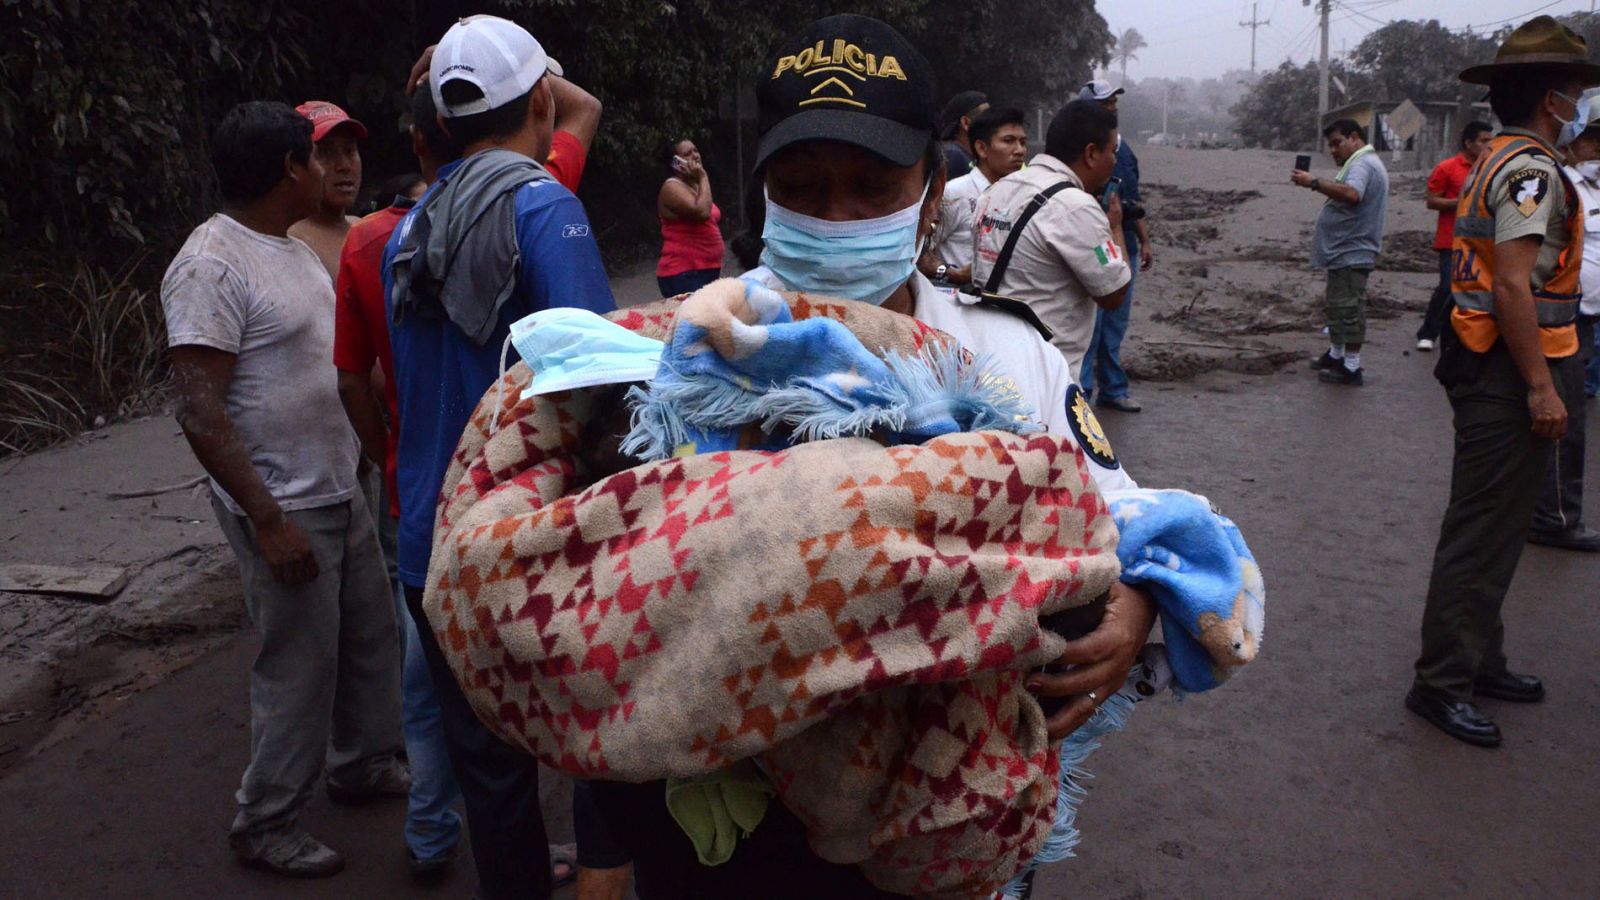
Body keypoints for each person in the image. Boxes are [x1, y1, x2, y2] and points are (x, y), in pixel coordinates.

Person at [586, 18, 1157, 896]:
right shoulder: (694, 355)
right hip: (737, 820)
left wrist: (1137, 603)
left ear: (933, 194)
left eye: (871, 186)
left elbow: (1114, 511)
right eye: (804, 188)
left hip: (943, 817)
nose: (836, 216)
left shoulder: (1009, 356)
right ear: (764, 198)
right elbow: (617, 603)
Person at [383, 15, 616, 898]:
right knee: (594, 733)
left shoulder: (408, 227)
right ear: (545, 99)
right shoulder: (541, 204)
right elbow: (597, 385)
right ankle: (601, 877)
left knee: (487, 765)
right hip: (528, 530)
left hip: (430, 539)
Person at [160, 100, 406, 878]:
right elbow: (199, 409)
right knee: (297, 666)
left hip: (339, 484)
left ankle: (360, 765)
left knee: (368, 639)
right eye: (313, 155)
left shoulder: (292, 252)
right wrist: (267, 520)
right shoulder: (211, 265)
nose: (328, 168)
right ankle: (265, 820)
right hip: (284, 503)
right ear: (286, 171)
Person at [1408, 16, 1600, 748]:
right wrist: (1541, 387)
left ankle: (1480, 662)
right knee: (1482, 529)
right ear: (1553, 99)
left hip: (1493, 357)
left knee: (1501, 523)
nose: (1580, 103)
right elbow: (1516, 288)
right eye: (1576, 91)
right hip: (1505, 365)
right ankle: (1441, 682)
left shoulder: (1505, 157)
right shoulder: (1528, 171)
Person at [333, 86, 466, 881]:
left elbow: (353, 377)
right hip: (500, 486)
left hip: (414, 484)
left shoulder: (369, 244)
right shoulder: (530, 213)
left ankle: (428, 830)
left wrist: (390, 450)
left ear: (416, 147)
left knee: (423, 668)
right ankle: (506, 832)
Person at [971, 98, 1133, 377]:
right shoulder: (1077, 207)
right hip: (1045, 375)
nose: (1114, 161)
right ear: (1091, 154)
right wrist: (1115, 227)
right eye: (1112, 151)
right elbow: (1114, 293)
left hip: (988, 361)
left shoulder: (997, 189)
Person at [1528, 95, 1600, 552]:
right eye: (1594, 139)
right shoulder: (1554, 185)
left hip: (1589, 320)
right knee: (1563, 422)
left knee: (1572, 419)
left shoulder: (1593, 190)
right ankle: (1553, 518)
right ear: (1572, 142)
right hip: (1559, 318)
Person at [1294, 119, 1389, 386]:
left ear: (1355, 138)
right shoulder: (1361, 163)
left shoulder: (1362, 164)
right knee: (1338, 305)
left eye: (1337, 143)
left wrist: (1314, 182)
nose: (1333, 150)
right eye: (1331, 145)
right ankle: (1337, 355)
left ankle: (1352, 367)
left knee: (1349, 309)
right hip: (1344, 250)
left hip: (1353, 250)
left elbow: (1351, 193)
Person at [1079, 79, 1154, 413]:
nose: (1111, 108)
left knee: (1116, 321)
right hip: (1093, 242)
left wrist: (1144, 237)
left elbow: (1131, 200)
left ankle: (1112, 388)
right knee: (1089, 324)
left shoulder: (1125, 151)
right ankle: (1080, 391)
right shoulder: (1081, 149)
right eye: (1104, 103)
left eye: (1112, 102)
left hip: (1125, 242)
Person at [917, 104, 1027, 287]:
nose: (1019, 150)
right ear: (982, 149)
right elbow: (920, 252)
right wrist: (951, 274)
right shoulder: (955, 194)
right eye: (1009, 141)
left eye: (1023, 142)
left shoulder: (1023, 196)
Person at [1416, 121, 1494, 351]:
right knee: (1448, 287)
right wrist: (1460, 203)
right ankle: (1429, 332)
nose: (1488, 145)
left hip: (1483, 241)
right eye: (1483, 140)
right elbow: (1432, 200)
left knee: (1477, 289)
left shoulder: (1491, 168)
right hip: (1451, 239)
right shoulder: (1447, 167)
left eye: (1491, 140)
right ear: (1469, 143)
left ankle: (1466, 334)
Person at [289, 101, 367, 280]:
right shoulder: (289, 242)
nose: (344, 166)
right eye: (326, 153)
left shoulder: (367, 230)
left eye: (349, 151)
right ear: (293, 164)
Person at [656, 138, 724, 296]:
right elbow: (702, 213)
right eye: (687, 154)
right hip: (684, 273)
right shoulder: (671, 187)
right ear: (675, 162)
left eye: (695, 150)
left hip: (706, 269)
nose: (695, 156)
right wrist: (703, 177)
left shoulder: (695, 186)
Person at [938, 89, 988, 176]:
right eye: (986, 117)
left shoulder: (967, 155)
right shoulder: (952, 155)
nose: (994, 123)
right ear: (965, 122)